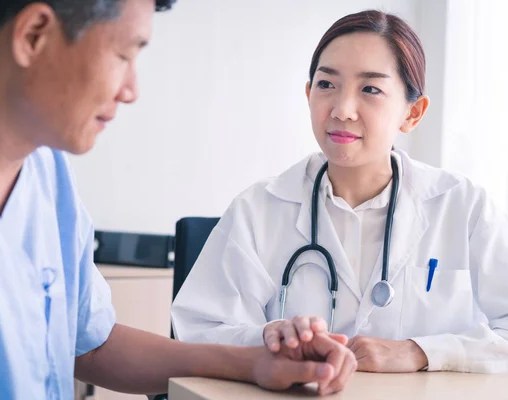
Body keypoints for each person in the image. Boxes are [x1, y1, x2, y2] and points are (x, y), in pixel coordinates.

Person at [0, 0, 358, 398]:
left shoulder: (46, 171)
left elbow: (92, 344)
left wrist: (253, 364)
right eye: (123, 55)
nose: (131, 90)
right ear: (34, 35)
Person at [171, 9, 508, 374]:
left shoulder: (463, 206)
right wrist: (268, 338)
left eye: (371, 89)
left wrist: (421, 352)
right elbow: (197, 332)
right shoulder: (259, 209)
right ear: (308, 94)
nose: (343, 110)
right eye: (326, 85)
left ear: (412, 113)